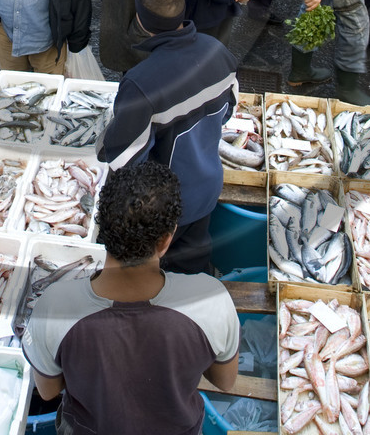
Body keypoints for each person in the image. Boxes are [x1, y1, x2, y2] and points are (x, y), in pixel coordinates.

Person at [23, 161, 239, 429]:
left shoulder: (56, 305)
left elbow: (48, 391)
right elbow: (225, 380)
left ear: (101, 229)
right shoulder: (211, 299)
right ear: (165, 240)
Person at [96, 0, 239, 273]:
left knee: (160, 279)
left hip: (166, 209)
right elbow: (227, 112)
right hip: (208, 186)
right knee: (194, 268)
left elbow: (124, 162)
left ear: (140, 20)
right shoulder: (218, 51)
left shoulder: (141, 83)